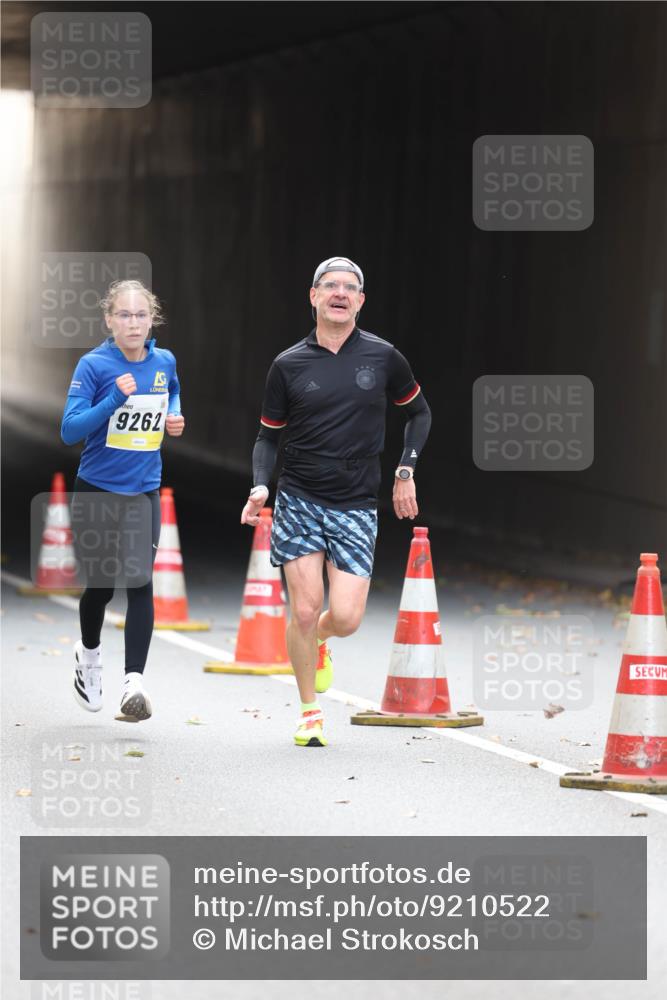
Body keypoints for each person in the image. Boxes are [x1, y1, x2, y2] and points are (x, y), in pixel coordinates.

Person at [241, 256, 431, 747]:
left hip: (356, 503)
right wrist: (262, 485)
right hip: (300, 499)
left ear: (361, 301)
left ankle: (320, 642)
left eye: (350, 287)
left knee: (343, 618)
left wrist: (405, 469)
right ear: (314, 296)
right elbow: (267, 437)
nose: (340, 293)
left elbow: (419, 414)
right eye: (331, 286)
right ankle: (309, 712)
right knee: (303, 611)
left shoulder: (384, 357)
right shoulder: (288, 364)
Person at [61, 279, 184, 722]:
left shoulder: (163, 360)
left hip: (143, 491)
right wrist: (114, 397)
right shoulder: (94, 365)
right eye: (125, 315)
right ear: (109, 320)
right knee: (100, 587)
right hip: (96, 489)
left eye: (141, 315)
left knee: (139, 581)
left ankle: (134, 683)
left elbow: (171, 388)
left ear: (153, 319)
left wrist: (172, 413)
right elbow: (70, 430)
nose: (133, 323)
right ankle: (89, 658)